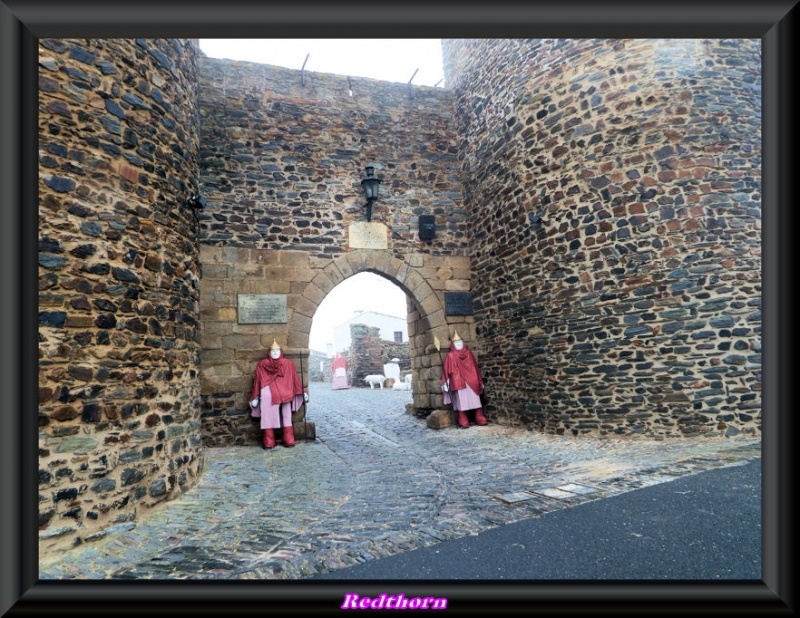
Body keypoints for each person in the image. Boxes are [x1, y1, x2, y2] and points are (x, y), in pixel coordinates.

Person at [250, 340, 308, 449]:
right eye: (273, 351)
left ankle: (289, 439)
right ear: (269, 352)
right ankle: (269, 441)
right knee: (267, 415)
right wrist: (256, 396)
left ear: (281, 352)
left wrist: (302, 392)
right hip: (269, 394)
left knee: (287, 415)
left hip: (285, 392)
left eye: (277, 351)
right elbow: (258, 381)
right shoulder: (263, 364)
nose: (275, 353)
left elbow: (294, 378)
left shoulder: (287, 363)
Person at [441, 331, 487, 429]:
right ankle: (463, 419)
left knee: (475, 398)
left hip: (472, 380)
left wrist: (479, 380)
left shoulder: (469, 353)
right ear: (453, 345)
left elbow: (475, 367)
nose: (458, 344)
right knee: (461, 401)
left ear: (463, 343)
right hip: (458, 381)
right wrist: (446, 382)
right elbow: (447, 370)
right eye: (456, 343)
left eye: (460, 342)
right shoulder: (450, 356)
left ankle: (479, 417)